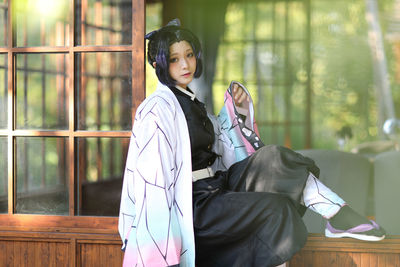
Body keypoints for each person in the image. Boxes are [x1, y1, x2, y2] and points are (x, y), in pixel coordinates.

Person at [118, 19, 385, 267]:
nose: (186, 65)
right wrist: (162, 247)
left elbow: (220, 145)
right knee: (275, 210)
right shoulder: (156, 110)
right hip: (192, 205)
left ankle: (338, 215)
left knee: (274, 159)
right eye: (175, 59)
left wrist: (238, 110)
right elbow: (153, 183)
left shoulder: (190, 100)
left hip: (218, 186)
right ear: (158, 65)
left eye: (189, 55)